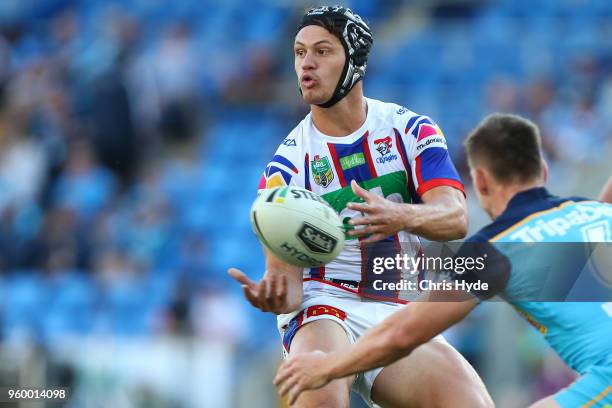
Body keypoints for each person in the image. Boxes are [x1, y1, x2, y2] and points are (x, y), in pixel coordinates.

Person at [228, 5, 492, 408]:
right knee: (320, 396)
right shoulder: (286, 166)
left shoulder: (410, 130)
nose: (306, 64)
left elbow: (456, 218)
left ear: (354, 61)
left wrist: (403, 216)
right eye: (299, 53)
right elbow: (290, 288)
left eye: (322, 51)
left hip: (397, 308)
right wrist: (274, 294)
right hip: (323, 304)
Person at [274, 113, 612, 407]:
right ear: (544, 171)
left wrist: (328, 367)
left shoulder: (492, 252)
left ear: (479, 182)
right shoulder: (595, 214)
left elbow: (404, 334)